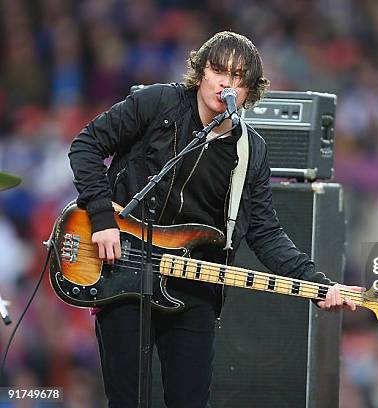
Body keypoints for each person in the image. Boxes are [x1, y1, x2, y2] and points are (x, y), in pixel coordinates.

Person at [68, 31, 361, 407]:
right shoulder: (157, 103)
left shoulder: (250, 150)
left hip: (194, 285)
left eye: (239, 78)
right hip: (125, 269)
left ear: (249, 91)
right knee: (127, 398)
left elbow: (266, 232)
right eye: (219, 70)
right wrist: (102, 217)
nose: (226, 83)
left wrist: (317, 283)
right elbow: (86, 145)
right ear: (201, 72)